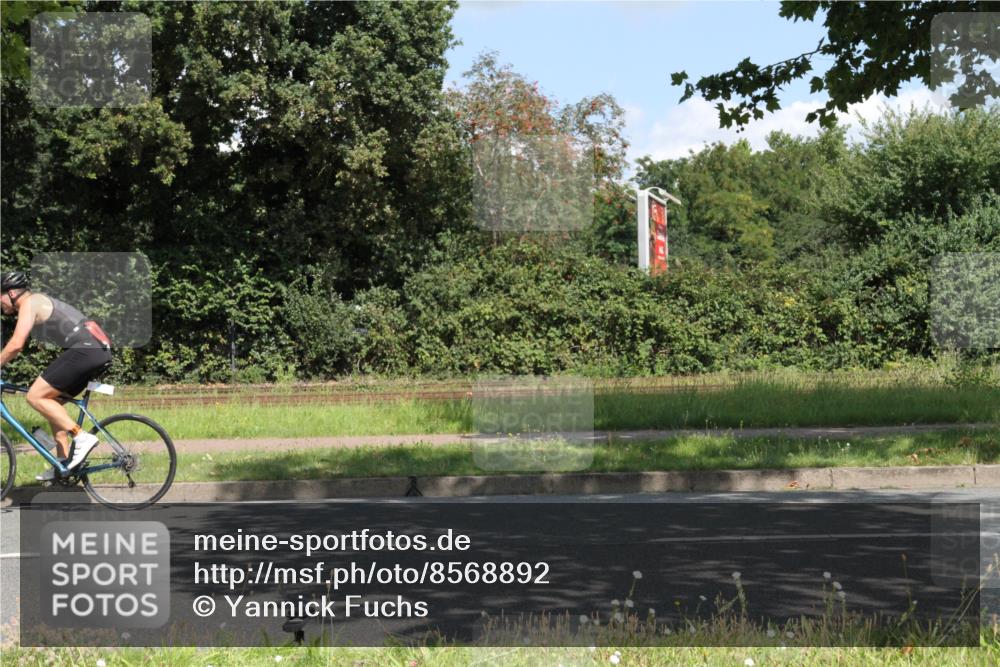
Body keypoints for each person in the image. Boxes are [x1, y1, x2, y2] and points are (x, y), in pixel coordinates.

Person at [0, 270, 113, 481]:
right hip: (97, 349)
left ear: (12, 293)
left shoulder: (30, 303)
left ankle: (81, 437)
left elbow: (16, 344)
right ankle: (62, 463)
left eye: (0, 296)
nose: (0, 303)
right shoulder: (37, 301)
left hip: (86, 349)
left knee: (35, 396)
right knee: (52, 404)